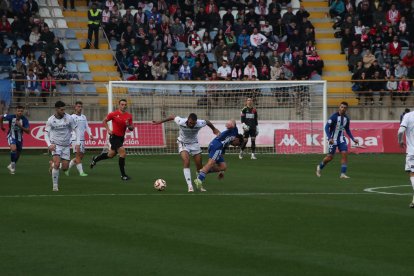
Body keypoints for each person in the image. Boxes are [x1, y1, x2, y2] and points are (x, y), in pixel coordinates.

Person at [152, 113, 219, 192]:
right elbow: (172, 116)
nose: (192, 125)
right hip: (183, 143)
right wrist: (159, 122)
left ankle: (199, 185)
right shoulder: (181, 121)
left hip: (194, 144)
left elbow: (207, 122)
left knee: (199, 167)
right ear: (188, 120)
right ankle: (190, 186)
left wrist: (214, 129)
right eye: (190, 123)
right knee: (186, 161)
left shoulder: (199, 123)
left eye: (193, 123)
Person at [193, 119, 244, 191]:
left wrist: (221, 171)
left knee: (223, 166)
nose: (235, 146)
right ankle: (199, 179)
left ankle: (201, 172)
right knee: (211, 163)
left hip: (217, 147)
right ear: (237, 139)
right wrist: (230, 123)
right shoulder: (235, 131)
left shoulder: (227, 143)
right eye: (237, 144)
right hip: (216, 145)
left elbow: (222, 154)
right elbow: (233, 121)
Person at [90, 99, 133, 181]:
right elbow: (104, 121)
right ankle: (123, 175)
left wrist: (128, 125)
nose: (123, 106)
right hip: (114, 137)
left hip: (121, 138)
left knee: (111, 154)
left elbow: (132, 128)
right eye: (122, 104)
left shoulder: (129, 116)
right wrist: (108, 130)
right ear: (119, 105)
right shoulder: (113, 114)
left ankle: (95, 159)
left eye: (125, 105)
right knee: (122, 153)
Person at [316, 102, 359, 179]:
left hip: (341, 140)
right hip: (333, 140)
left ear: (346, 109)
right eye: (341, 107)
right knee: (330, 157)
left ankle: (342, 174)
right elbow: (326, 128)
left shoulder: (346, 119)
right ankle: (320, 166)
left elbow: (347, 130)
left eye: (344, 107)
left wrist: (353, 139)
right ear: (339, 107)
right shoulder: (333, 117)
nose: (343, 108)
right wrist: (330, 138)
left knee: (344, 155)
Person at [45, 101, 80, 192]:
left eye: (64, 109)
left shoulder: (69, 118)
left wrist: (78, 143)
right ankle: (55, 186)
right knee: (57, 164)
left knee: (65, 168)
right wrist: (49, 144)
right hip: (56, 145)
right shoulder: (50, 120)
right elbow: (46, 133)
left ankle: (52, 165)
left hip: (66, 146)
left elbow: (76, 129)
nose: (63, 111)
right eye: (61, 109)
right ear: (56, 109)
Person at [66, 101, 94, 177]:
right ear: (75, 107)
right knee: (78, 156)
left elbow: (87, 127)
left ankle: (66, 168)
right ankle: (81, 172)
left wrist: (90, 134)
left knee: (81, 156)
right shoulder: (72, 117)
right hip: (75, 139)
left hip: (82, 139)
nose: (80, 108)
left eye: (81, 106)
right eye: (78, 106)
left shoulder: (83, 117)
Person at [0, 106, 30, 174]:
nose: (20, 112)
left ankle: (12, 164)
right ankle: (13, 166)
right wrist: (1, 126)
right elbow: (1, 116)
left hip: (19, 138)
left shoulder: (24, 120)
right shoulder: (11, 116)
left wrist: (20, 126)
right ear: (16, 111)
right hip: (11, 135)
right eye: (18, 111)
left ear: (23, 112)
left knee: (18, 153)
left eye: (21, 111)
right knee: (13, 149)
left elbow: (28, 131)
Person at [398, 110, 414, 208]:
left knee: (412, 173)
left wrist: (400, 141)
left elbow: (400, 131)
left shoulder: (408, 115)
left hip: (412, 151)